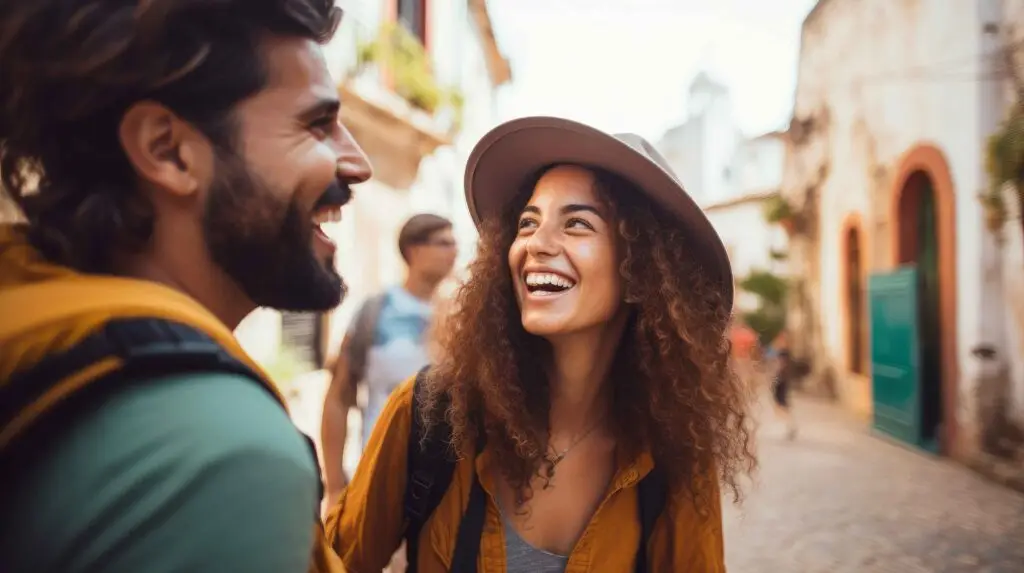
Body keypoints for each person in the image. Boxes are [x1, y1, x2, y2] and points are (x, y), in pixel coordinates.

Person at [0, 1, 372, 572]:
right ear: (167, 151)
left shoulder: (33, 317)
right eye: (316, 124)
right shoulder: (230, 455)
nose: (357, 163)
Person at [325, 117, 756, 572]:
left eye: (576, 224)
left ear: (639, 272)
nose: (535, 244)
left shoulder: (673, 453)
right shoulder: (429, 413)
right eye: (528, 223)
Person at [321, 213, 458, 500]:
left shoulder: (461, 317)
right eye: (443, 243)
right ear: (414, 251)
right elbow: (338, 396)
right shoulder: (375, 312)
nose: (454, 251)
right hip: (379, 480)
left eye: (454, 243)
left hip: (445, 486)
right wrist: (334, 485)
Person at [769, 331, 799, 440]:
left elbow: (779, 366)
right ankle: (790, 425)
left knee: (780, 405)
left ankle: (791, 425)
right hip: (783, 380)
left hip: (780, 380)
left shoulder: (783, 352)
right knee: (780, 404)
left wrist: (774, 378)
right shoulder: (787, 352)